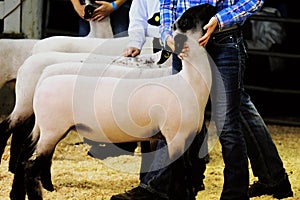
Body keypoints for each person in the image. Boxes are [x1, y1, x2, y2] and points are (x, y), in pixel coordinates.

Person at [113, 1, 293, 200]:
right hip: (184, 40)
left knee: (227, 123)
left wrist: (219, 20)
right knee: (176, 119)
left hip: (224, 39)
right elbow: (167, 3)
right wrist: (167, 34)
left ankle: (235, 193)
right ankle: (165, 187)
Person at [111, 1, 210, 200]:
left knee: (184, 119)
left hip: (183, 49)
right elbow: (139, 20)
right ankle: (155, 182)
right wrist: (135, 43)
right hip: (158, 51)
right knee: (162, 120)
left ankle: (170, 182)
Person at [71, 0, 138, 158]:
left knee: (123, 70)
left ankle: (125, 142)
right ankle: (99, 135)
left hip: (119, 10)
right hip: (89, 12)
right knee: (90, 71)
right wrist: (78, 6)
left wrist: (114, 6)